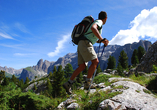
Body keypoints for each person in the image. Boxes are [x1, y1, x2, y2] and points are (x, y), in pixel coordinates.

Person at [63, 11, 109, 95]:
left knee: (82, 66)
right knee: (95, 62)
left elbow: (91, 35)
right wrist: (102, 39)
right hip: (85, 43)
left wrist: (101, 41)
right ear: (105, 18)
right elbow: (93, 28)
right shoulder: (99, 22)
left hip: (81, 43)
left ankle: (68, 83)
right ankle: (88, 84)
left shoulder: (96, 22)